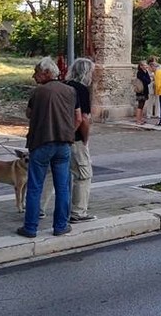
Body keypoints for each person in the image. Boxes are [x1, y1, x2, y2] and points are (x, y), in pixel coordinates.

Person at [17, 57, 81, 238]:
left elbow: (29, 114)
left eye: (36, 72)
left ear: (46, 73)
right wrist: (68, 133)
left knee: (35, 186)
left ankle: (30, 227)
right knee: (62, 187)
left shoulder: (39, 92)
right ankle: (61, 226)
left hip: (42, 143)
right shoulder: (71, 91)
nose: (33, 76)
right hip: (64, 144)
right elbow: (78, 118)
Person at [65, 58, 96, 223]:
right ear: (86, 73)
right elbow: (84, 118)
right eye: (91, 72)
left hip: (58, 137)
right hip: (75, 138)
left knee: (51, 174)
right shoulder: (82, 90)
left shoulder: (65, 85)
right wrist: (85, 139)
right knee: (83, 175)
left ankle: (40, 209)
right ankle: (78, 212)